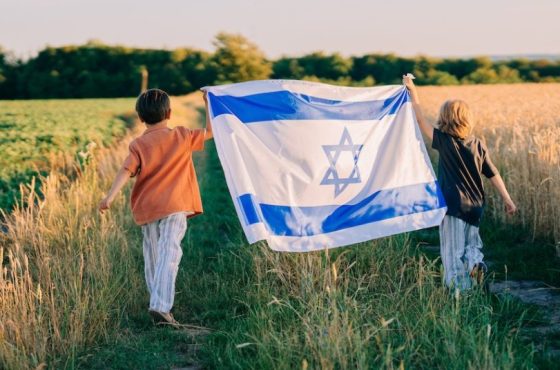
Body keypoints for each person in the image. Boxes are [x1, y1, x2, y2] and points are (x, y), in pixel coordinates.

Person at [99, 89, 213, 327]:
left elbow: (126, 171)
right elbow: (211, 131)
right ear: (169, 113)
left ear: (140, 118)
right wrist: (208, 102)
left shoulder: (138, 144)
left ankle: (157, 302)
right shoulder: (182, 135)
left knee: (153, 256)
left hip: (148, 207)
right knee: (169, 252)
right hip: (175, 204)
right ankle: (160, 307)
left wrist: (110, 196)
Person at [403, 74, 516, 290]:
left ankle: (460, 295)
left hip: (453, 206)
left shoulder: (444, 142)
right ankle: (476, 263)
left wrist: (412, 89)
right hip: (475, 205)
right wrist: (507, 199)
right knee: (473, 244)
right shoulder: (477, 144)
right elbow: (493, 173)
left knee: (452, 252)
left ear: (444, 118)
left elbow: (419, 119)